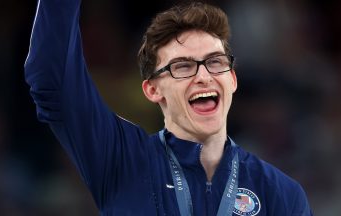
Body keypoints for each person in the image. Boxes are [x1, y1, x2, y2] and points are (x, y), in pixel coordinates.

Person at [25, 0, 313, 215]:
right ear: (152, 90)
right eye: (183, 66)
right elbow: (52, 80)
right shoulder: (122, 160)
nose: (203, 76)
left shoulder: (281, 194)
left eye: (215, 62)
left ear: (233, 79)